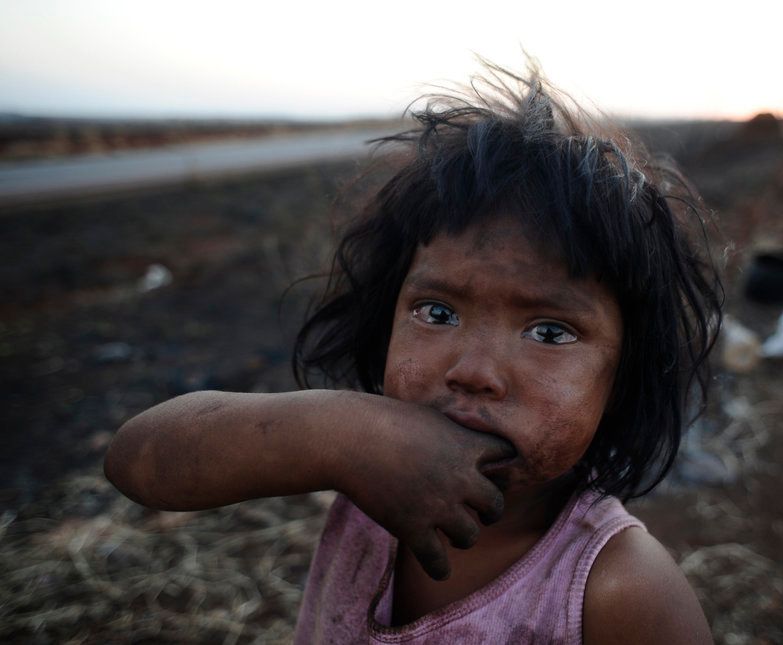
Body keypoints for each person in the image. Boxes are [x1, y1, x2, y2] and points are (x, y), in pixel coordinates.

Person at [104, 60, 722, 644]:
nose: (473, 372)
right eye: (437, 313)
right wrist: (337, 432)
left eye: (550, 332)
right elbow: (138, 460)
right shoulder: (364, 474)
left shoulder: (617, 590)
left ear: (624, 379)